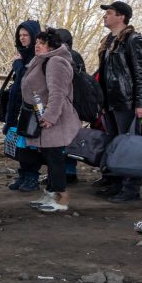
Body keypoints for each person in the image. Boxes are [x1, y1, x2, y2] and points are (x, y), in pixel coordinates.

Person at [95, 1, 142, 203]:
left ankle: (131, 189)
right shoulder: (109, 41)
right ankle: (115, 182)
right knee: (114, 143)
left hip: (127, 101)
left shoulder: (135, 40)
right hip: (111, 101)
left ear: (121, 17)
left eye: (109, 13)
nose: (105, 16)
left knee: (129, 145)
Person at [20, 29, 81, 212]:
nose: (37, 45)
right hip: (43, 116)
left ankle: (61, 199)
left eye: (42, 42)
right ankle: (50, 193)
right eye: (37, 42)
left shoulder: (56, 62)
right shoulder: (44, 60)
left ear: (52, 45)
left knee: (55, 158)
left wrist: (50, 117)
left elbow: (58, 93)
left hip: (54, 120)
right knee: (49, 156)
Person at [4, 20, 42, 192]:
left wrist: (18, 65)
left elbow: (28, 79)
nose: (22, 38)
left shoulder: (37, 56)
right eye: (20, 35)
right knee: (20, 144)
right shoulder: (23, 54)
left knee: (30, 144)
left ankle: (32, 177)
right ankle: (23, 175)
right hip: (18, 106)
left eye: (26, 35)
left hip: (31, 108)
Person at [56, 28, 85, 184]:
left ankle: (64, 173)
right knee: (69, 138)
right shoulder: (76, 56)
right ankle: (69, 170)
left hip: (65, 103)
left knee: (60, 139)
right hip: (75, 104)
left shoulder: (63, 57)